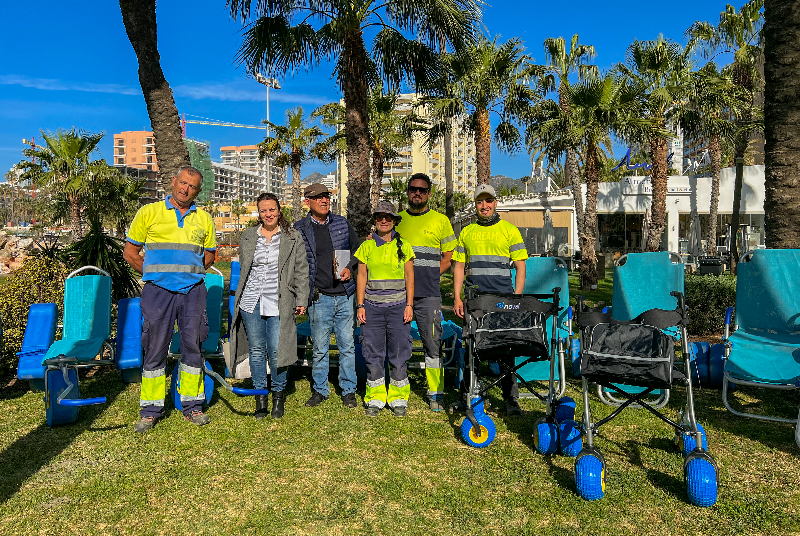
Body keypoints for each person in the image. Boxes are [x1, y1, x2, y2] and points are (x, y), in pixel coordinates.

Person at [123, 166, 217, 433]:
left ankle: (192, 406)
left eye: (192, 186)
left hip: (193, 293)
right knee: (154, 348)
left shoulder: (204, 219)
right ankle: (150, 410)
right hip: (157, 292)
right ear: (173, 181)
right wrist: (155, 275)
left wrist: (191, 274)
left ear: (198, 191)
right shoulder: (149, 213)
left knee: (193, 347)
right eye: (182, 183)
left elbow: (210, 256)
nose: (185, 189)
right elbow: (130, 253)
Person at [229, 193, 309, 419]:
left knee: (277, 351)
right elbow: (246, 268)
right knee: (256, 351)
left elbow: (302, 270)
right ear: (259, 213)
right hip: (251, 301)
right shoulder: (248, 236)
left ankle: (278, 396)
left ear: (279, 210)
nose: (268, 214)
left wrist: (301, 299)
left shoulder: (292, 237)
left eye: (272, 210)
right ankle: (260, 398)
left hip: (279, 301)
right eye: (263, 211)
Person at [452, 184, 528, 416]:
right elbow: (459, 266)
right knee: (472, 347)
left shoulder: (509, 230)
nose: (484, 206)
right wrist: (456, 297)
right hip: (475, 301)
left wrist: (517, 298)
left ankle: (510, 399)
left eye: (488, 201)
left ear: (496, 203)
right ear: (475, 205)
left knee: (506, 350)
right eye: (479, 201)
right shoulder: (466, 232)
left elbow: (520, 267)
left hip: (503, 300)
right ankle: (470, 395)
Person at [294, 183, 361, 408]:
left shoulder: (342, 223)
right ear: (308, 201)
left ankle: (349, 390)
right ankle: (320, 389)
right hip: (319, 296)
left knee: (347, 346)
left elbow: (358, 250)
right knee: (320, 348)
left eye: (327, 196)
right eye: (319, 197)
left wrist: (349, 267)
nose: (324, 200)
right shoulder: (300, 228)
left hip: (345, 295)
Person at [395, 173, 456, 412]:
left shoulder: (441, 221)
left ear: (429, 193)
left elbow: (449, 256)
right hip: (399, 294)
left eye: (422, 190)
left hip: (429, 295)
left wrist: (431, 275)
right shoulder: (396, 220)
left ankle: (436, 393)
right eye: (413, 189)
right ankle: (399, 392)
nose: (417, 193)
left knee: (432, 343)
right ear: (408, 192)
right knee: (399, 344)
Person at [354, 201, 416, 417]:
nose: (383, 220)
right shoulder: (366, 246)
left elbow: (410, 277)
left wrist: (409, 305)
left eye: (388, 217)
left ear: (394, 221)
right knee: (373, 354)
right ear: (374, 221)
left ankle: (399, 399)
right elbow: (362, 276)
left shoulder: (405, 246)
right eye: (379, 216)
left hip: (399, 308)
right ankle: (375, 398)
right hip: (372, 309)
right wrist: (360, 305)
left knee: (399, 353)